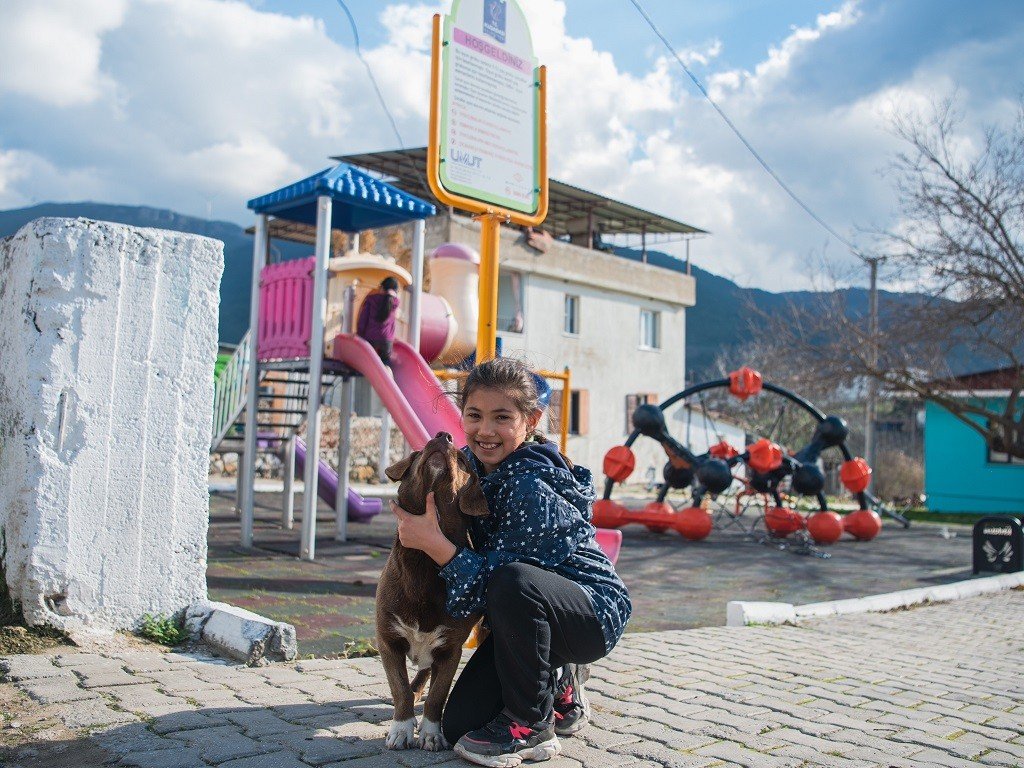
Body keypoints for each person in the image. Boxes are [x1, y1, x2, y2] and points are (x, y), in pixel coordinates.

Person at [390, 357, 632, 767]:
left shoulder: (528, 485)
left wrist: (436, 546)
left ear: (532, 419)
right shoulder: (469, 466)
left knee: (511, 579)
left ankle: (531, 724)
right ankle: (553, 678)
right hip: (527, 619)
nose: (486, 431)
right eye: (475, 416)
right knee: (458, 727)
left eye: (502, 417)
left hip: (587, 614)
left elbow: (495, 586)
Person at [356, 277, 400, 366]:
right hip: (387, 340)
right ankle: (388, 376)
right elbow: (392, 324)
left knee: (368, 363)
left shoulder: (371, 300)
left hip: (370, 338)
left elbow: (363, 320)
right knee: (386, 364)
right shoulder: (395, 302)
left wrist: (359, 334)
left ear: (382, 288)